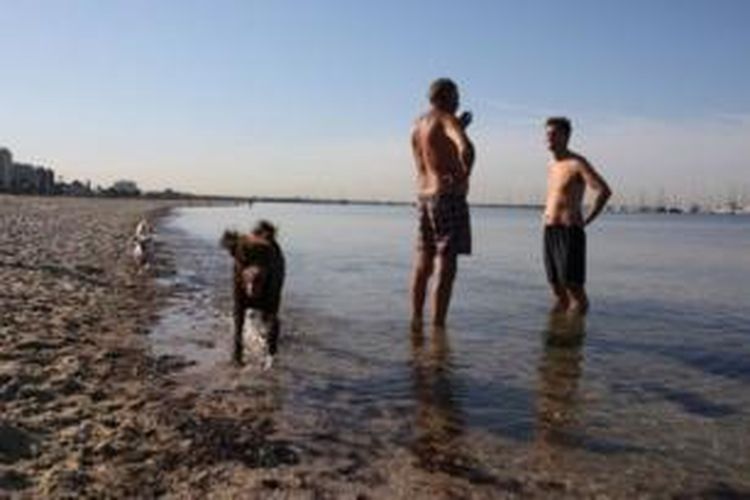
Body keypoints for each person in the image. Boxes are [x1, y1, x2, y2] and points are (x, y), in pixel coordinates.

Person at [410, 78, 475, 329]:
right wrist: (462, 175)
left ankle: (416, 321)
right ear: (446, 97)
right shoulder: (447, 119)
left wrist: (461, 127)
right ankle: (438, 327)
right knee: (445, 263)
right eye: (456, 96)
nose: (459, 101)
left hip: (424, 196)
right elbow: (465, 148)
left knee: (423, 260)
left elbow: (432, 152)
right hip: (447, 197)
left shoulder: (417, 125)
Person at [543, 117, 612, 314]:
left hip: (569, 232)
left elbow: (603, 191)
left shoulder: (577, 163)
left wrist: (587, 219)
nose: (548, 138)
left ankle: (575, 337)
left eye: (553, 134)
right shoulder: (552, 164)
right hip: (550, 230)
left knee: (574, 289)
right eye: (547, 134)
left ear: (566, 137)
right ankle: (558, 334)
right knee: (556, 287)